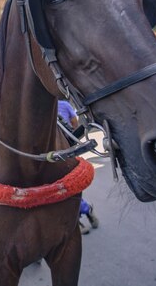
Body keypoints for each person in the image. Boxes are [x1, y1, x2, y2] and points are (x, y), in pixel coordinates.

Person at [57, 99, 99, 235]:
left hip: (55, 154)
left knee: (65, 189)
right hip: (68, 149)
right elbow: (74, 122)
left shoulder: (40, 106)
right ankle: (87, 212)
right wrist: (73, 139)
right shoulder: (64, 105)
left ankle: (78, 220)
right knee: (71, 187)